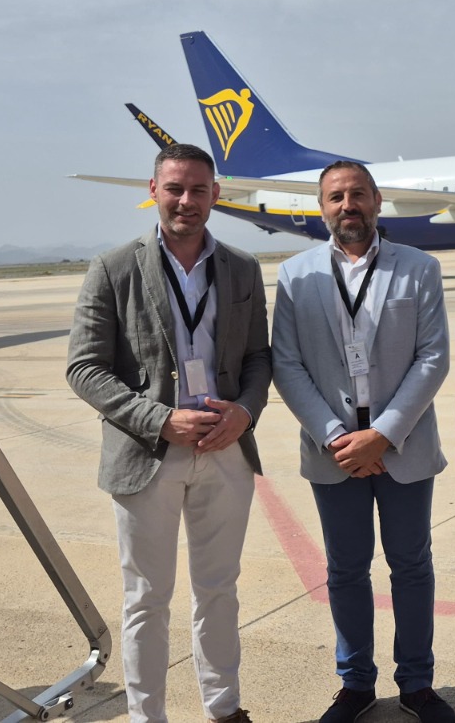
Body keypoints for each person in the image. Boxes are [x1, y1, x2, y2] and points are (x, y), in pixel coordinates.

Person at [66, 143, 270, 723]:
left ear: (215, 195)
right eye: (175, 188)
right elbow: (84, 368)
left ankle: (224, 708)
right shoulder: (113, 268)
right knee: (147, 597)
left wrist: (244, 412)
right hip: (148, 454)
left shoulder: (242, 267)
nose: (186, 200)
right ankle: (146, 716)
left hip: (225, 449)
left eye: (198, 190)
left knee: (219, 589)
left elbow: (258, 357)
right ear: (153, 191)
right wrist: (160, 420)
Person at [272, 162, 455, 723]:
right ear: (321, 207)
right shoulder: (295, 274)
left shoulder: (418, 268)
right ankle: (355, 684)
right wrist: (337, 438)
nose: (347, 205)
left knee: (412, 567)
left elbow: (433, 357)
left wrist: (382, 434)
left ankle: (417, 684)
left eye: (357, 194)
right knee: (346, 570)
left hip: (402, 446)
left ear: (377, 201)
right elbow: (286, 363)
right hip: (334, 454)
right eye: (336, 197)